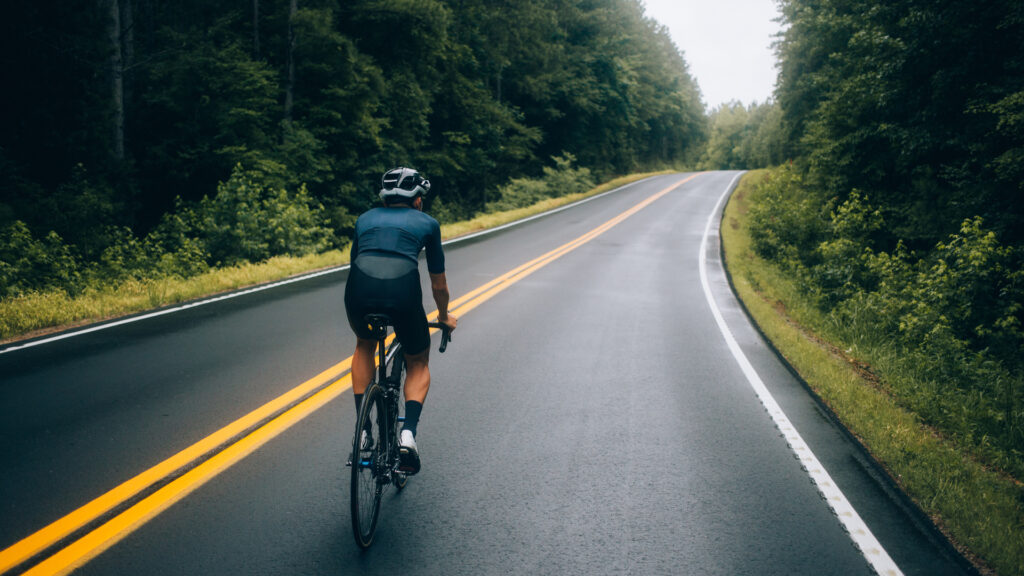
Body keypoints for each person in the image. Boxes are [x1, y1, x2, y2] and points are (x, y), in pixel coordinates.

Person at [344, 167, 457, 474]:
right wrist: (444, 317)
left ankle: (364, 430)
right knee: (418, 359)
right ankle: (407, 435)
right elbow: (439, 285)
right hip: (402, 293)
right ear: (417, 200)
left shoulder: (364, 219)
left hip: (359, 291)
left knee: (364, 344)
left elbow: (356, 260)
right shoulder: (428, 224)